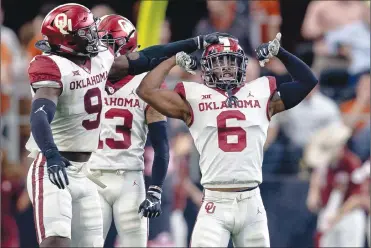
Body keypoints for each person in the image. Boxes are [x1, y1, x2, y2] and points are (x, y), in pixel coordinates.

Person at [25, 3, 219, 247]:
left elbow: (149, 56)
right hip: (59, 165)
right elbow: (40, 113)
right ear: (69, 40)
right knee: (57, 241)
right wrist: (50, 153)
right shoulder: (52, 66)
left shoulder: (102, 60)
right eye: (88, 32)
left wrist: (196, 42)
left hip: (94, 173)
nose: (96, 38)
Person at [136, 33, 318, 247]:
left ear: (241, 64)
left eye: (231, 61)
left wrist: (280, 53)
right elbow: (145, 90)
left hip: (252, 202)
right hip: (215, 200)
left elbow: (308, 81)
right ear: (207, 66)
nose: (225, 68)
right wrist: (172, 59)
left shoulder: (262, 94)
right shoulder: (193, 98)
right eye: (219, 61)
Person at [88, 15, 169, 247]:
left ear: (127, 49)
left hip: (130, 179)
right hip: (91, 175)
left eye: (107, 45)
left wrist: (156, 189)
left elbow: (161, 144)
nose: (101, 52)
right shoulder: (86, 78)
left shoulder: (146, 84)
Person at [304, 122, 366, 247]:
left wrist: (338, 215)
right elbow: (316, 187)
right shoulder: (324, 166)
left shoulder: (352, 163)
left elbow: (358, 197)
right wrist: (313, 194)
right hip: (328, 213)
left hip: (348, 215)